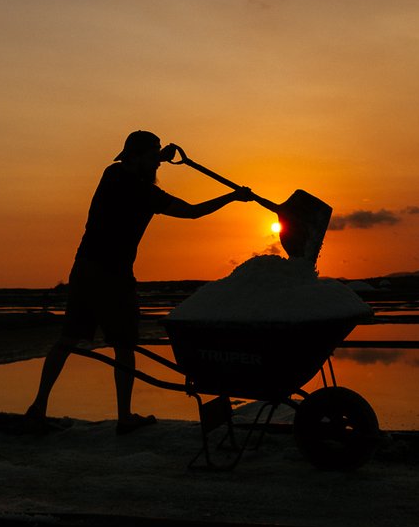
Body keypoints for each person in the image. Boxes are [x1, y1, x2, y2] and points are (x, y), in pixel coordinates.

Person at [25, 130, 254, 435]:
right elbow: (192, 212)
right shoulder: (145, 193)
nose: (157, 164)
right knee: (124, 345)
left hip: (85, 269)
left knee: (68, 339)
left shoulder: (113, 174)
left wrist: (160, 156)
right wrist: (233, 197)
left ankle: (37, 408)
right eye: (153, 156)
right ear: (137, 157)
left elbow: (142, 165)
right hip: (112, 275)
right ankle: (124, 417)